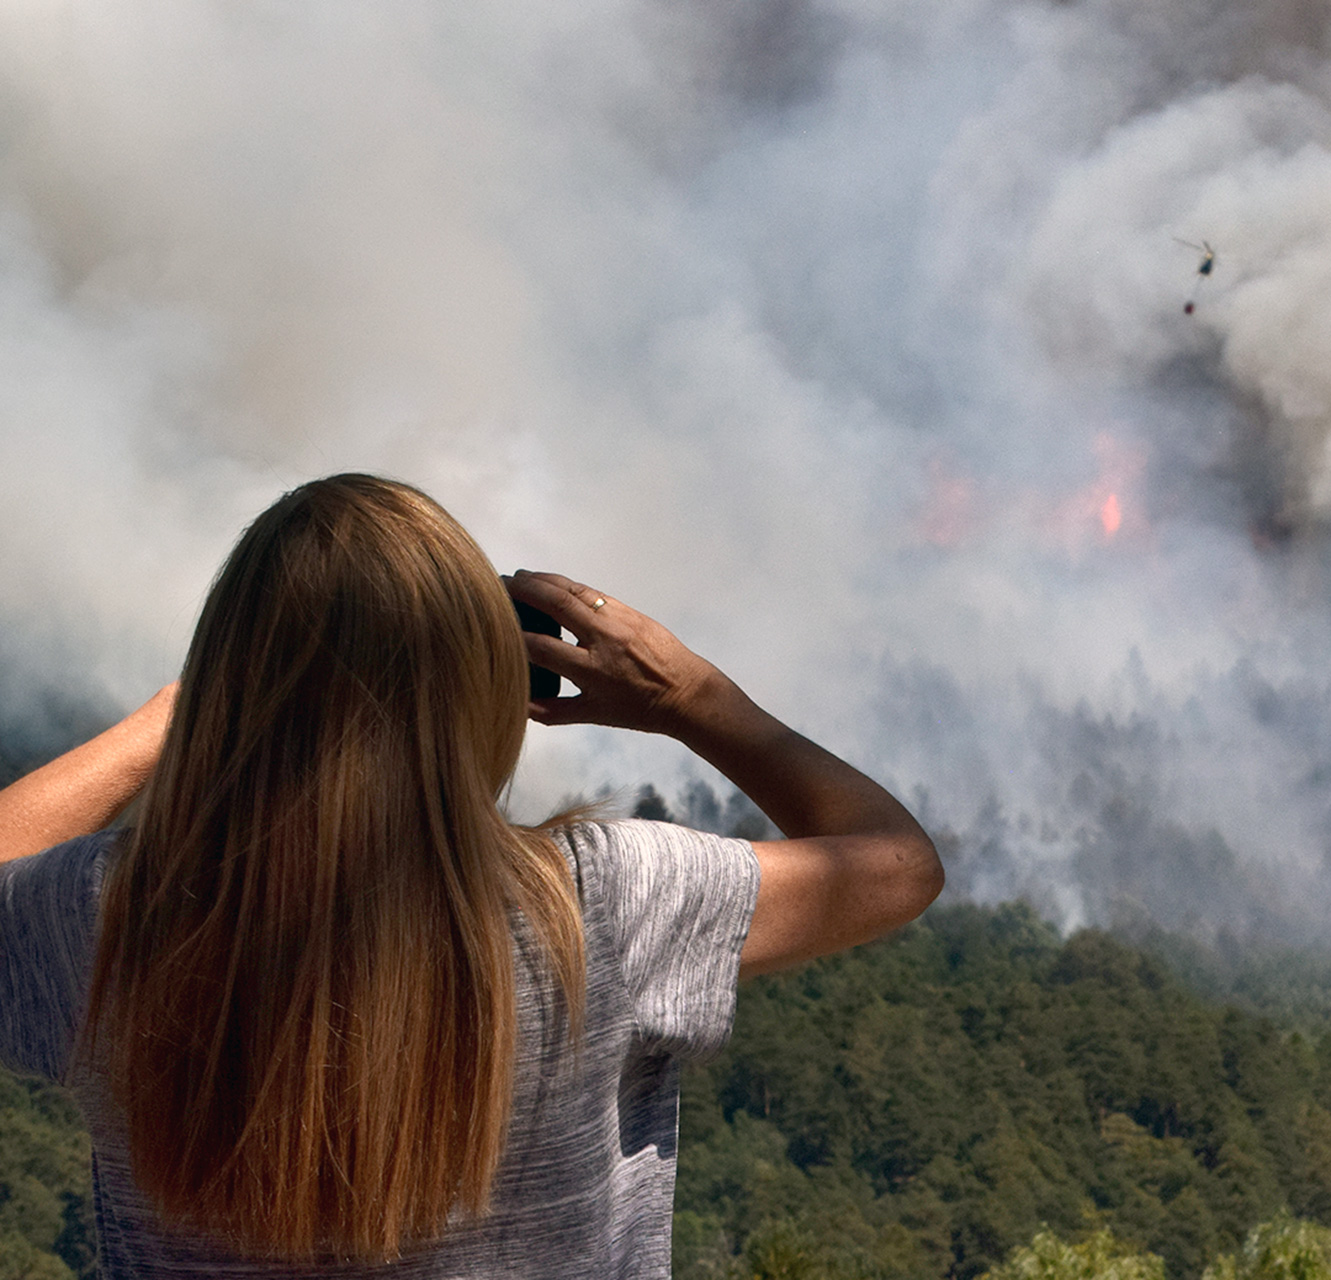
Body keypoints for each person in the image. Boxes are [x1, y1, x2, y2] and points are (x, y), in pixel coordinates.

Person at [0, 473, 943, 1278]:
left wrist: (182, 718)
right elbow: (897, 866)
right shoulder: (600, 906)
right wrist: (692, 700)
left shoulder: (109, 919)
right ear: (483, 682)